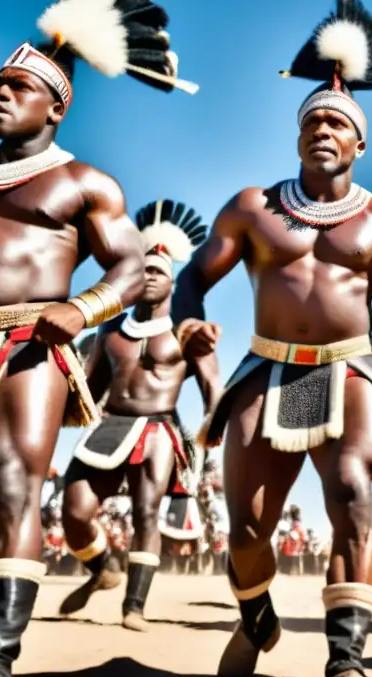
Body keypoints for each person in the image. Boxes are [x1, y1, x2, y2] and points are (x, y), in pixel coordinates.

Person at [171, 0, 372, 677]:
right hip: (267, 365)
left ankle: (346, 657)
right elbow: (192, 278)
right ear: (298, 136)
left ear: (359, 145)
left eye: (339, 124)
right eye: (314, 121)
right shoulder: (253, 208)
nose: (325, 129)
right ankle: (257, 620)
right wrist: (189, 323)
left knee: (351, 491)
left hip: (352, 365)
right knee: (249, 526)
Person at [0, 0, 194, 677]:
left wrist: (80, 310)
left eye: (19, 87)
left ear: (56, 108)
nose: (1, 92)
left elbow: (132, 270)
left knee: (14, 486)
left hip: (30, 345)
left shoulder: (86, 183)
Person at [59, 199, 219, 631]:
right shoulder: (109, 331)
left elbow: (212, 388)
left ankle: (134, 606)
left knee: (148, 513)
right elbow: (87, 391)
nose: (149, 277)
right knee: (74, 510)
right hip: (108, 425)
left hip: (160, 429)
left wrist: (215, 427)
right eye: (144, 270)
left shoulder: (188, 333)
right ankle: (102, 567)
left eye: (158, 273)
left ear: (172, 283)